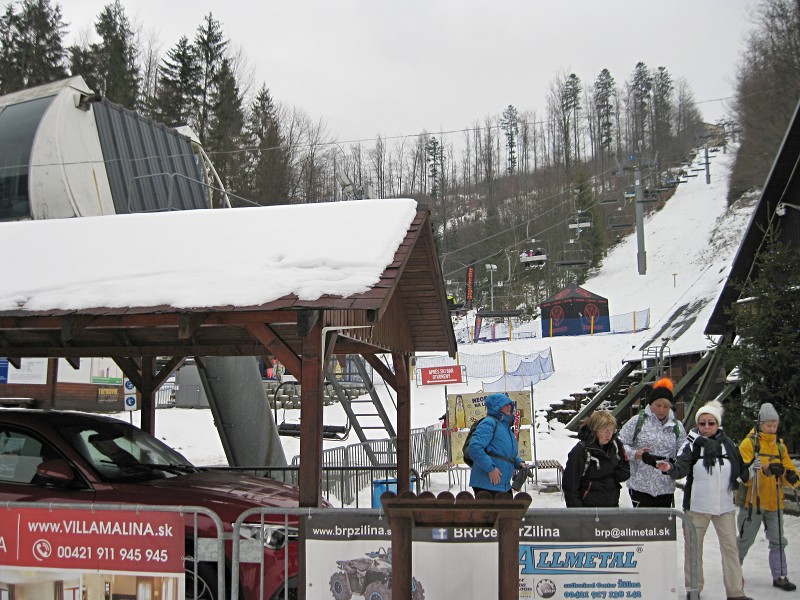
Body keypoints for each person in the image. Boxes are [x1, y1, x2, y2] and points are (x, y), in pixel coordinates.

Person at [656, 400, 752, 600]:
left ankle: (736, 593)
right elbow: (680, 468)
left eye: (711, 423)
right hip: (697, 508)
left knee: (730, 550)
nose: (706, 427)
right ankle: (694, 590)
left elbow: (741, 470)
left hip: (724, 507)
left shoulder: (729, 444)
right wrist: (670, 469)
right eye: (702, 423)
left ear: (718, 424)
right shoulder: (691, 446)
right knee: (693, 550)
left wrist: (756, 469)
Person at [737, 402, 800, 591]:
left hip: (775, 502)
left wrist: (792, 477)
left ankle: (780, 575)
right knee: (744, 540)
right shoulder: (749, 444)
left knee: (778, 539)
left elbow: (789, 468)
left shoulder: (779, 446)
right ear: (760, 424)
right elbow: (744, 474)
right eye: (769, 425)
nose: (772, 429)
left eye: (775, 426)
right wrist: (765, 470)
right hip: (753, 502)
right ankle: (732, 571)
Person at [618, 377, 687, 508]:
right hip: (640, 486)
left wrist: (675, 465)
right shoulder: (637, 421)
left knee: (663, 527)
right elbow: (620, 445)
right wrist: (635, 454)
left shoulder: (677, 426)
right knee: (643, 527)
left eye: (666, 406)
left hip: (665, 487)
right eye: (658, 405)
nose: (661, 410)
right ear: (651, 405)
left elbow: (684, 451)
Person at [563, 410, 630, 507]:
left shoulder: (615, 444)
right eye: (605, 431)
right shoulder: (581, 451)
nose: (609, 435)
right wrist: (577, 513)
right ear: (595, 430)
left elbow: (625, 467)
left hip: (612, 504)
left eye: (611, 431)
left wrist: (620, 473)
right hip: (588, 508)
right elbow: (570, 485)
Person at [467, 393, 527, 495]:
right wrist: (490, 469)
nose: (509, 407)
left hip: (503, 484)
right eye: (505, 404)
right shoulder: (489, 423)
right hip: (486, 484)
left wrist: (518, 462)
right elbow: (474, 448)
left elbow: (503, 453)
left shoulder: (505, 426)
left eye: (510, 404)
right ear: (496, 407)